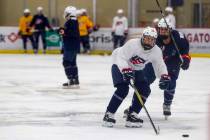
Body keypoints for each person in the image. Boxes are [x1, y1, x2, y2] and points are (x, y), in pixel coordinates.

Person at [102, 26, 170, 128]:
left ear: (155, 41)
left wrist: (164, 76)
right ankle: (109, 114)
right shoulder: (133, 44)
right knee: (123, 89)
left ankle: (132, 115)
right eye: (147, 38)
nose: (148, 41)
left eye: (151, 40)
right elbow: (121, 57)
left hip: (137, 68)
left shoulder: (156, 51)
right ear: (142, 37)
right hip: (118, 63)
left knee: (145, 89)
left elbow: (160, 65)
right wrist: (125, 69)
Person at [156, 18, 191, 119]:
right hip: (157, 61)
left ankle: (167, 104)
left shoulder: (179, 38)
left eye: (165, 29)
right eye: (161, 29)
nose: (162, 31)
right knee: (144, 81)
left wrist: (186, 60)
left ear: (170, 30)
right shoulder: (155, 39)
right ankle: (135, 106)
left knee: (171, 82)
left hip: (173, 60)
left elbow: (185, 51)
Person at [59, 6, 80, 88]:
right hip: (73, 45)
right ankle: (76, 79)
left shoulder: (71, 22)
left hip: (70, 45)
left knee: (66, 62)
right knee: (72, 63)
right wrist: (62, 31)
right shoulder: (74, 21)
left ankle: (70, 80)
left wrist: (62, 31)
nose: (65, 15)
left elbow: (71, 34)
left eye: (66, 13)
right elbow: (70, 32)